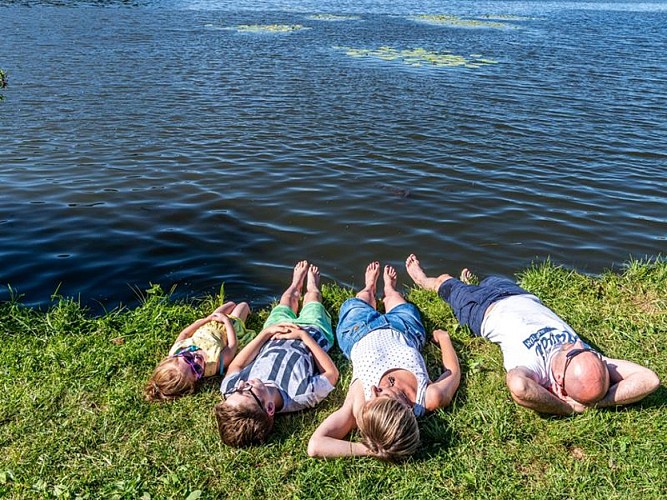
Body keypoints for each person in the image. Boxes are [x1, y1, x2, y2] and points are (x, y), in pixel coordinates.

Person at [405, 254, 661, 416]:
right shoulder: (589, 362)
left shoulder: (535, 370)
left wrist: (568, 407)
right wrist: (600, 399)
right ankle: (472, 281)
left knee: (445, 281)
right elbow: (649, 379)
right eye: (583, 348)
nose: (574, 342)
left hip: (482, 310)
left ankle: (424, 280)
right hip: (517, 295)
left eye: (571, 353)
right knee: (489, 279)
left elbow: (518, 386)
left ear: (558, 382)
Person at [308, 262, 460, 462]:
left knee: (362, 298)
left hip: (357, 332)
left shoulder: (362, 407)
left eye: (374, 397)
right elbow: (453, 372)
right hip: (404, 329)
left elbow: (315, 445)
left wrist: (373, 449)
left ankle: (370, 287)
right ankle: (389, 288)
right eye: (384, 394)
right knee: (395, 298)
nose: (373, 389)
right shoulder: (430, 397)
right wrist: (444, 339)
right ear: (407, 408)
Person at [215, 261, 339, 447]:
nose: (240, 384)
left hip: (273, 333)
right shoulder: (301, 394)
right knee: (312, 299)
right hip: (313, 332)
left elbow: (236, 366)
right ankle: (312, 284)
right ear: (269, 407)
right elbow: (331, 374)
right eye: (245, 391)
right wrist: (303, 336)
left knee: (287, 300)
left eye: (235, 391)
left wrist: (265, 333)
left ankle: (296, 282)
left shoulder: (231, 390)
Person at [144, 300, 250, 402]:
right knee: (243, 305)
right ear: (195, 381)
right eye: (197, 369)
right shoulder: (213, 364)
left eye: (188, 358)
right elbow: (232, 346)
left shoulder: (177, 350)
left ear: (174, 357)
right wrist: (227, 321)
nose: (196, 360)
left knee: (230, 304)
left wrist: (207, 319)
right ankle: (248, 312)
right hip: (230, 328)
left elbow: (185, 334)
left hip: (210, 323)